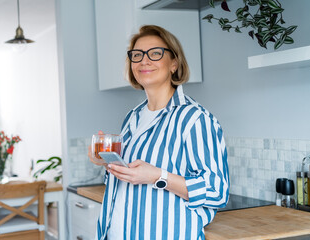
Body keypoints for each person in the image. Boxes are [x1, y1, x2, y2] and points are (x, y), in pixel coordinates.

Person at [89, 25, 229, 240]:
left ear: (174, 63)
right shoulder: (132, 117)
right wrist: (107, 163)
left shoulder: (194, 119)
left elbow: (216, 192)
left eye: (155, 53)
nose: (144, 61)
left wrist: (158, 176)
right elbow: (125, 183)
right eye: (137, 55)